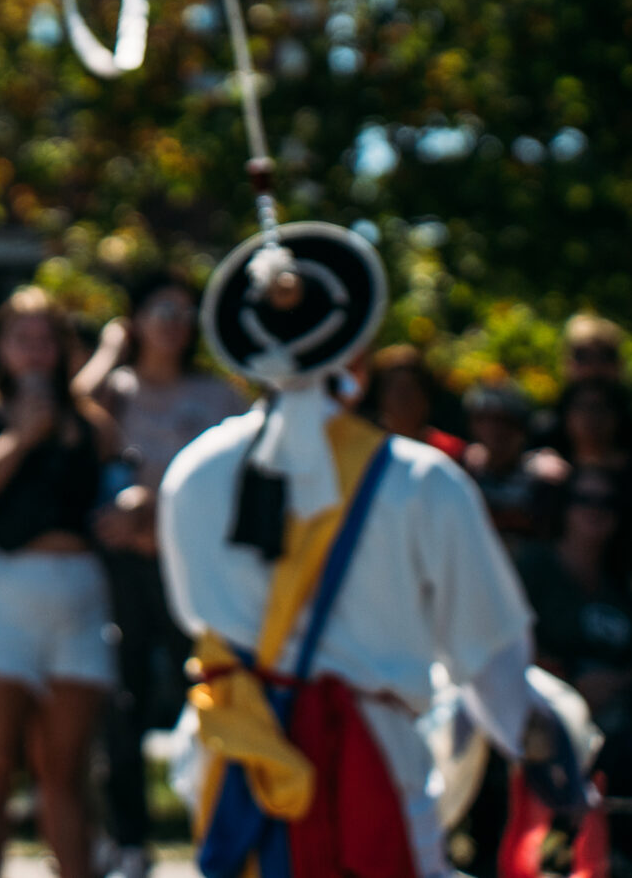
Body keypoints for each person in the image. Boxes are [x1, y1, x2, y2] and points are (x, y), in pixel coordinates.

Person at [158, 227, 537, 878]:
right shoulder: (421, 480)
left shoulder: (190, 471)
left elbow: (193, 615)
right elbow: (491, 657)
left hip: (235, 761)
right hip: (376, 763)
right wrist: (547, 753)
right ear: (358, 349)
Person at [0, 288, 116, 878]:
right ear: (1, 346)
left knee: (66, 770)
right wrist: (18, 439)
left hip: (77, 593)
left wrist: (131, 508)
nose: (36, 352)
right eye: (23, 339)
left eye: (47, 339)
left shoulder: (90, 421)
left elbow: (118, 482)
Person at [73, 277, 245, 878]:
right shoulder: (114, 390)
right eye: (160, 309)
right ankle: (128, 839)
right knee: (123, 703)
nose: (174, 322)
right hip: (123, 571)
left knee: (210, 691)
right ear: (135, 320)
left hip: (194, 569)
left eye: (184, 312)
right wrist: (109, 347)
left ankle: (222, 823)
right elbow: (74, 411)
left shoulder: (219, 394)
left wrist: (156, 508)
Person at [512, 464, 632, 720]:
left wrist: (618, 683)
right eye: (584, 499)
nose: (595, 509)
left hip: (620, 716)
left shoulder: (631, 583)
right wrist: (570, 683)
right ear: (564, 507)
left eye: (608, 502)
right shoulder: (534, 566)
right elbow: (508, 643)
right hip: (541, 710)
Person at [543, 375, 632, 608]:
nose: (591, 417)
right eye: (582, 407)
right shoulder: (549, 472)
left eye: (601, 408)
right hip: (557, 603)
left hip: (629, 605)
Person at [538, 313, 632, 488]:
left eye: (606, 355)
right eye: (582, 355)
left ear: (619, 364)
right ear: (566, 362)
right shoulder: (544, 431)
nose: (593, 367)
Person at [462, 381, 546, 544]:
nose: (494, 430)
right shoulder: (464, 471)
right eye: (483, 419)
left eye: (504, 421)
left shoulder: (540, 478)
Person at [354, 344, 466, 461]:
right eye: (397, 391)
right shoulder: (365, 451)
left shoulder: (452, 452)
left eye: (411, 390)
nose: (405, 401)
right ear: (379, 397)